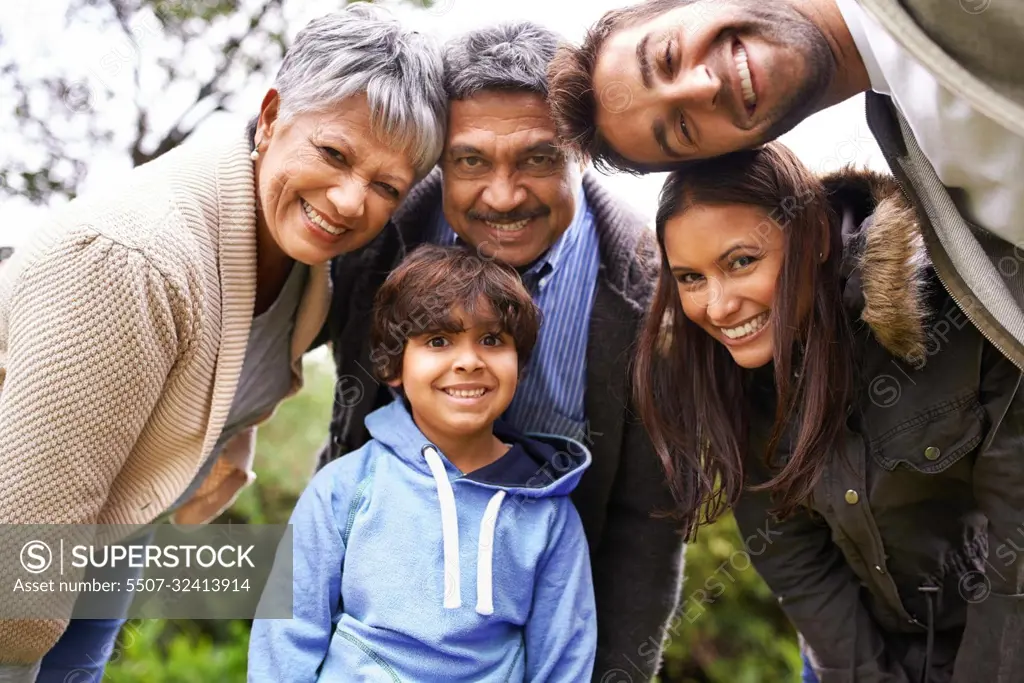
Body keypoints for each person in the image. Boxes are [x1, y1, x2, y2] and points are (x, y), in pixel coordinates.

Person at [0, 5, 446, 681]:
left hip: (110, 535)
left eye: (386, 186)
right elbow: (16, 574)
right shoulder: (134, 259)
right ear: (270, 118)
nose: (352, 200)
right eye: (333, 153)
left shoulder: (303, 260)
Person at [321, 21, 685, 680]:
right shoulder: (377, 240)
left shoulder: (653, 297)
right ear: (438, 158)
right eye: (471, 161)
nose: (504, 195)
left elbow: (646, 534)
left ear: (582, 150)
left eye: (539, 158)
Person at [632, 141, 1024, 682]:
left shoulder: (956, 301)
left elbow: (1018, 533)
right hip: (861, 654)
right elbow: (797, 561)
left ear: (813, 237)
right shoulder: (729, 376)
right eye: (691, 278)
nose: (717, 306)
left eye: (741, 261)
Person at [547, 0, 1024, 374]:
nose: (701, 87)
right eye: (684, 129)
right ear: (726, 158)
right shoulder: (927, 171)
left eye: (668, 56)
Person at [249, 244, 596, 682]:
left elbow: (564, 659)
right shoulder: (344, 486)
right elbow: (286, 630)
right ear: (394, 365)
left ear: (519, 365)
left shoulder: (549, 510)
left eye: (491, 340)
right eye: (438, 340)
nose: (469, 361)